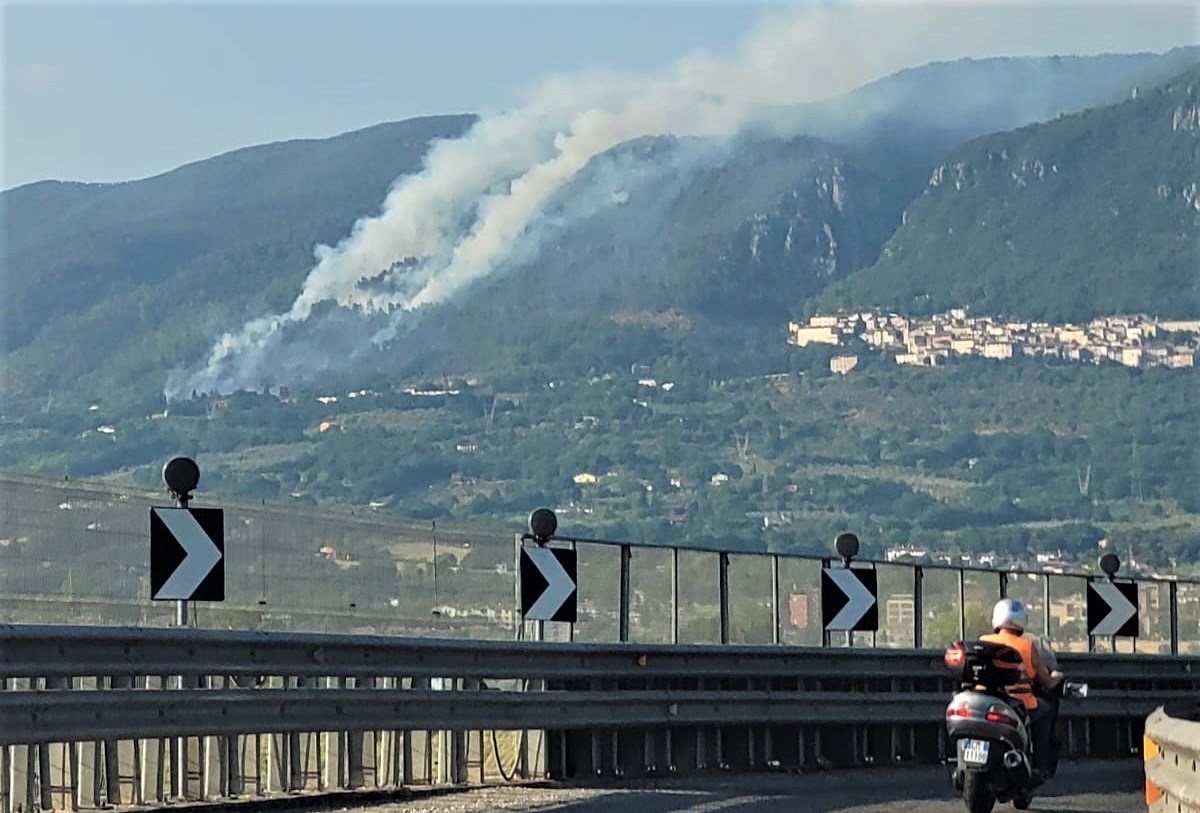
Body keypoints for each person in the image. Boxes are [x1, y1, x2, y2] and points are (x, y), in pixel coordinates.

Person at [980, 598, 1063, 779]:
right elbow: (1045, 680)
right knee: (1045, 711)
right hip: (1019, 705)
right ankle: (1040, 765)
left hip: (984, 702)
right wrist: (1056, 677)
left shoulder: (984, 641)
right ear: (1020, 620)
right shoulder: (1026, 645)